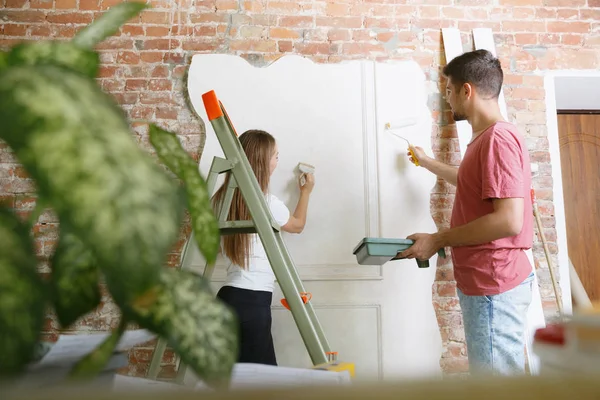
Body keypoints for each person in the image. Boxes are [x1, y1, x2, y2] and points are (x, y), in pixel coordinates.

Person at [398, 49, 534, 375]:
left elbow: (508, 220)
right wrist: (427, 161)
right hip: (486, 283)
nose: (447, 99)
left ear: (466, 90)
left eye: (448, 90)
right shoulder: (485, 139)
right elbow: (469, 183)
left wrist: (437, 239)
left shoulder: (497, 139)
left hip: (493, 284)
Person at [211, 129, 315, 366]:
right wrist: (306, 192)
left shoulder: (218, 200)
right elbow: (297, 226)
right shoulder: (266, 203)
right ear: (263, 162)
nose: (278, 161)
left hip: (226, 299)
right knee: (262, 384)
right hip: (254, 303)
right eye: (276, 156)